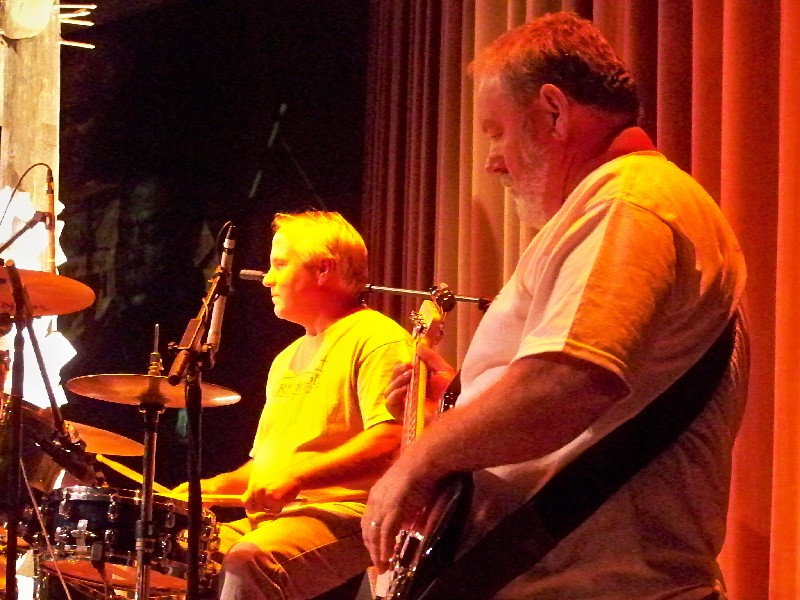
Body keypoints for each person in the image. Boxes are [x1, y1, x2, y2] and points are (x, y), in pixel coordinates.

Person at [362, 12, 748, 600]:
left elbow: (567, 384)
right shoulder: (623, 201)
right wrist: (460, 403)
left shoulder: (627, 202)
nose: (491, 160)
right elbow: (580, 388)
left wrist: (416, 465)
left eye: (496, 131)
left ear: (553, 111)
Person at [175, 210, 412, 599]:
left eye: (280, 264)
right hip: (277, 520)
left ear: (323, 269)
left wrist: (299, 479)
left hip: (351, 515)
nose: (267, 278)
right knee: (180, 551)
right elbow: (270, 466)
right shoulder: (285, 358)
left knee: (249, 559)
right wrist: (208, 489)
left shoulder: (378, 339)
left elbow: (392, 440)